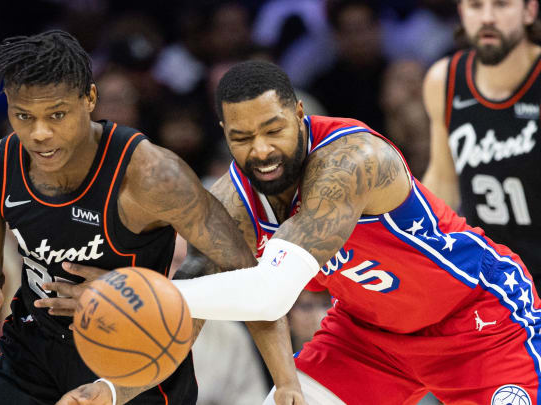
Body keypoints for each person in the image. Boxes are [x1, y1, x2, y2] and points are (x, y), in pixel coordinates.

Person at [0, 30, 304, 405]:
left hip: (136, 358)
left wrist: (286, 381)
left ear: (89, 98)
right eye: (24, 116)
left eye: (57, 115)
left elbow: (242, 271)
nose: (39, 133)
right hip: (31, 355)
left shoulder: (152, 174)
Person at [169, 60, 541, 404]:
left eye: (274, 130)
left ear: (299, 113)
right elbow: (179, 315)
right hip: (366, 336)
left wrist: (157, 295)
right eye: (243, 137)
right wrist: (115, 384)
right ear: (224, 133)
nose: (262, 150)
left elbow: (268, 296)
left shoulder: (352, 160)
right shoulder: (231, 203)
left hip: (477, 320)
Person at [422, 0, 541, 290]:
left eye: (501, 5)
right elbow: (442, 181)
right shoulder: (444, 79)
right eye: (476, 6)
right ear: (462, 12)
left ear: (529, 11)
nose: (488, 18)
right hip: (486, 276)